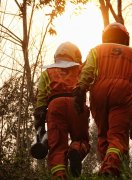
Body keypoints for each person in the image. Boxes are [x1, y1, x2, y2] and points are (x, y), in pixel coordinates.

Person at [73, 22, 132, 177]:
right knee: (117, 136)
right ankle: (110, 168)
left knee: (103, 134)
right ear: (125, 38)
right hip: (122, 95)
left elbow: (87, 71)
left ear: (105, 36)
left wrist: (81, 89)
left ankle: (107, 167)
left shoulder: (96, 51)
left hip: (98, 94)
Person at [34, 42, 90, 179]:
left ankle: (59, 175)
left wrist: (39, 122)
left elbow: (41, 99)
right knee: (81, 139)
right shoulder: (81, 69)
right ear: (75, 55)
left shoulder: (47, 72)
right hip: (77, 104)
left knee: (57, 147)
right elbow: (89, 82)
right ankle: (76, 150)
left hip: (55, 106)